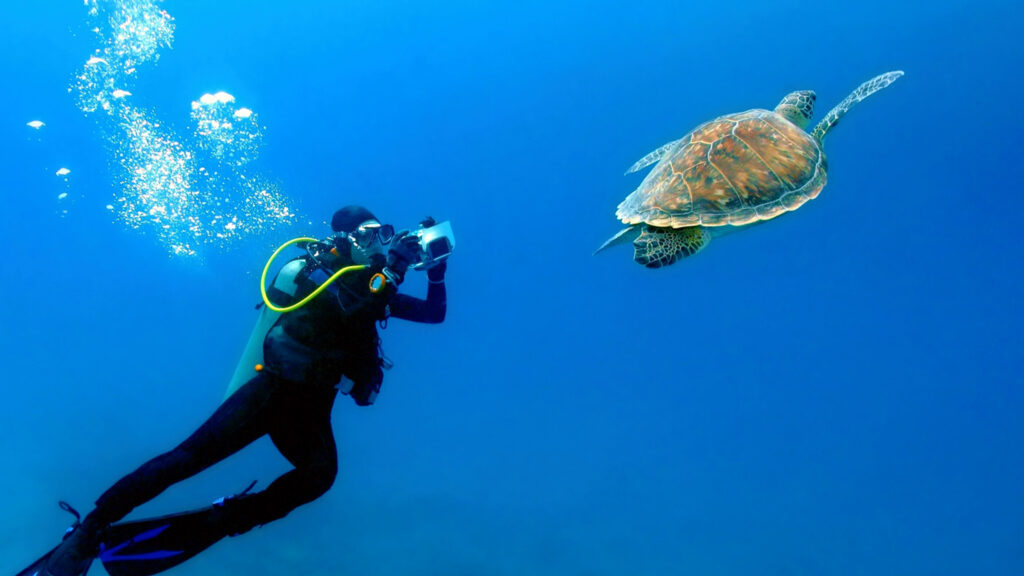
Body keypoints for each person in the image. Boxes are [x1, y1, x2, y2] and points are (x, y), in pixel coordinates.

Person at [33, 205, 448, 576]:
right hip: (270, 396)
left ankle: (229, 517)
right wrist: (394, 267)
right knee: (185, 460)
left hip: (309, 412)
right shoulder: (319, 274)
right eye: (368, 236)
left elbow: (433, 313)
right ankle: (88, 530)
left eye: (382, 235)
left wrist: (436, 270)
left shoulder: (373, 285)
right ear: (343, 240)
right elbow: (352, 308)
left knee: (320, 476)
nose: (377, 245)